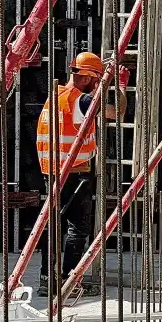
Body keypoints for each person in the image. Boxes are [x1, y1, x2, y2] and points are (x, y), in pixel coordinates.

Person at [36, 51, 128, 298]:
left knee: (52, 226)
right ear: (88, 78)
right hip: (73, 172)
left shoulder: (55, 96)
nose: (99, 85)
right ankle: (68, 281)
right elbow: (115, 112)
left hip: (51, 171)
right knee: (77, 228)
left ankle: (47, 279)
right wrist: (119, 85)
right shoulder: (79, 100)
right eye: (97, 80)